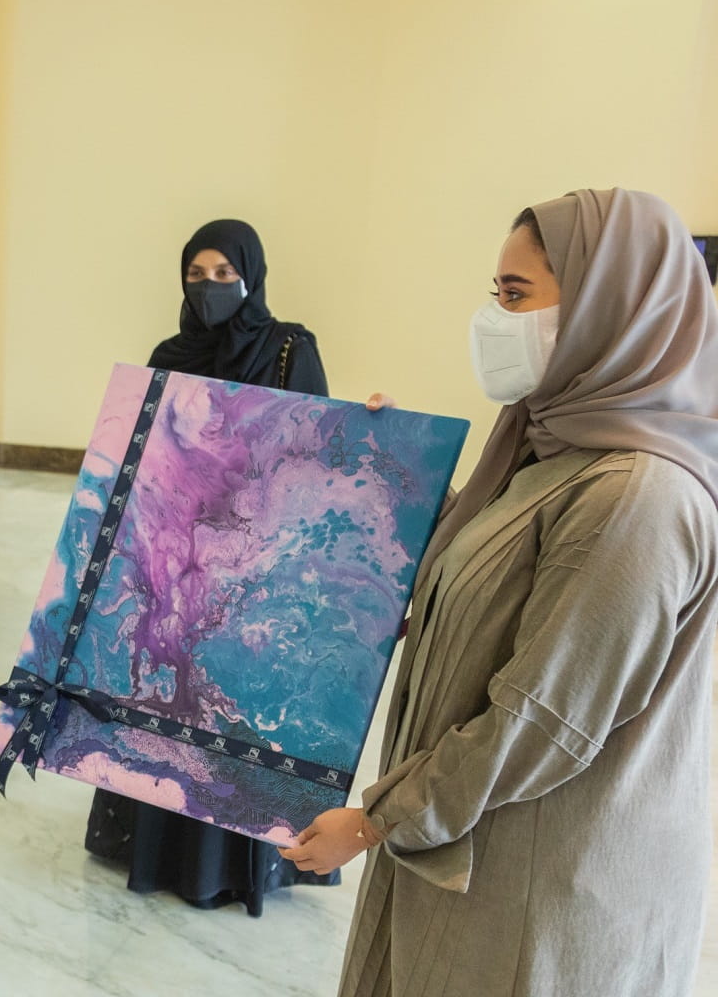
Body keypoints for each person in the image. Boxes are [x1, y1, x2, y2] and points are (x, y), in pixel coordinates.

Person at [280, 189, 718, 997]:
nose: (495, 320)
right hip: (473, 846)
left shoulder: (637, 495)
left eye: (516, 296)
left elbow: (542, 715)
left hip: (542, 882)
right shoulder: (553, 449)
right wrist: (385, 468)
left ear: (606, 307)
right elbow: (484, 563)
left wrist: (380, 819)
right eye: (497, 296)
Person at [84, 218, 335, 916]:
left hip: (254, 559)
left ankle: (235, 860)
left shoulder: (290, 348)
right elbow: (149, 449)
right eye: (197, 275)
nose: (211, 287)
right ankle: (157, 845)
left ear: (252, 275)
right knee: (169, 697)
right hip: (176, 556)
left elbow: (309, 447)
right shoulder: (170, 351)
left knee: (236, 706)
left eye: (225, 274)